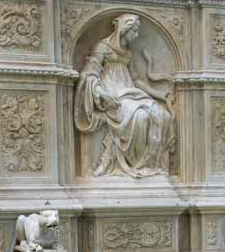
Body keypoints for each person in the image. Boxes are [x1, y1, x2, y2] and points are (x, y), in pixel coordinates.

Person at [74, 13, 176, 178]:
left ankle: (149, 164)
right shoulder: (102, 48)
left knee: (162, 115)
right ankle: (133, 163)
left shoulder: (128, 52)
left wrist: (159, 95)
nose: (135, 36)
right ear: (123, 29)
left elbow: (135, 80)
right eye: (133, 32)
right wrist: (102, 93)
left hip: (130, 93)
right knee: (141, 117)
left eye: (137, 32)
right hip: (112, 96)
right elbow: (89, 74)